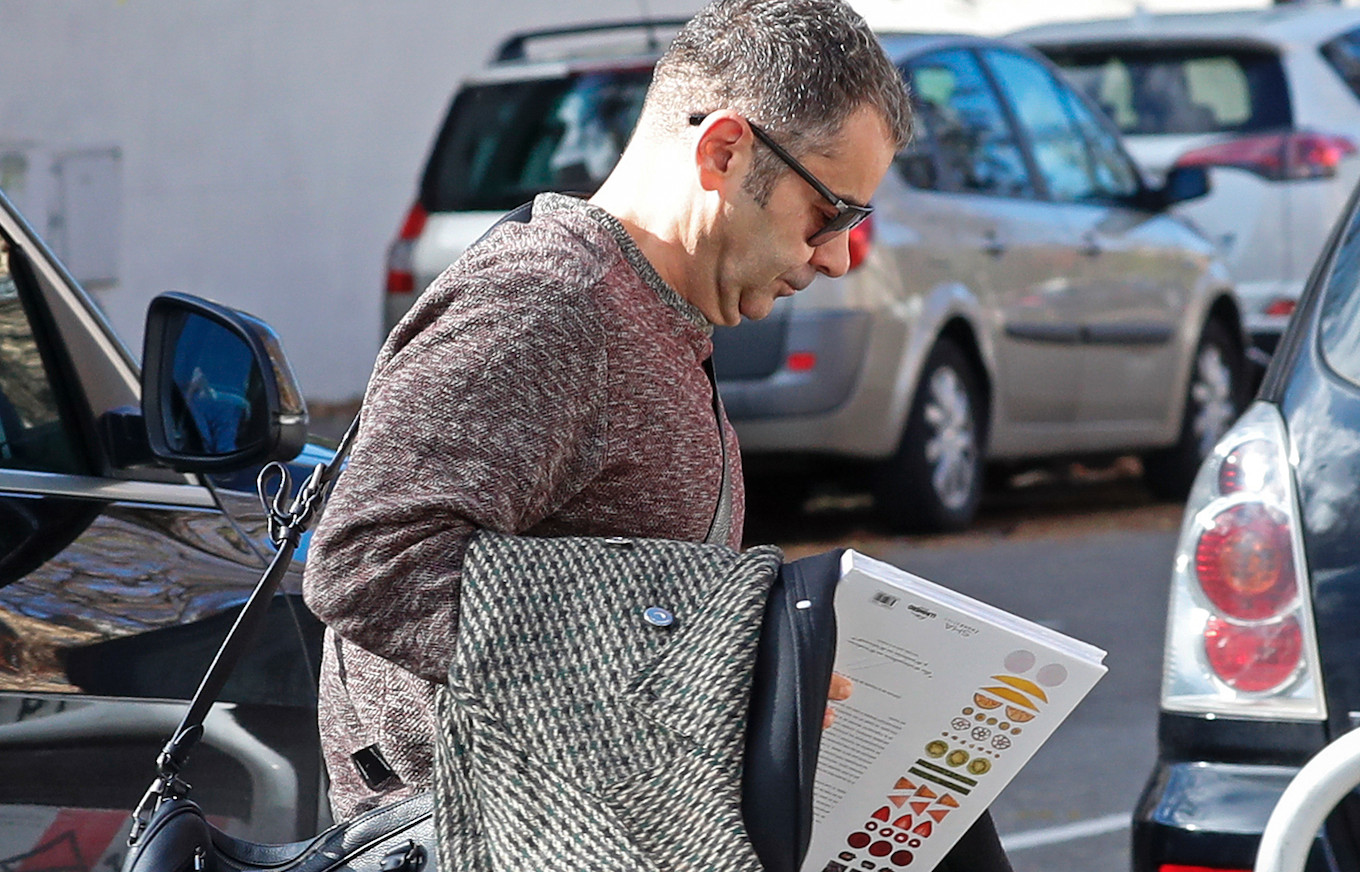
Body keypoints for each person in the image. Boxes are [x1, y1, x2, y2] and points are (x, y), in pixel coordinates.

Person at [302, 0, 912, 820]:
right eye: (829, 212)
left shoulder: (644, 310)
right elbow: (369, 562)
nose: (837, 256)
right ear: (725, 151)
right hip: (486, 836)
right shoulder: (550, 302)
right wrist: (717, 668)